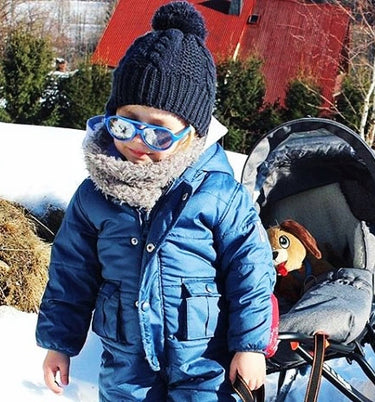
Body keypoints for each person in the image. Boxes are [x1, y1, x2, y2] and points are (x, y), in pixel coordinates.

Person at [35, 2, 276, 399]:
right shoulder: (95, 196)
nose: (137, 142)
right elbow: (70, 274)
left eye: (158, 134)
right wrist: (59, 342)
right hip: (126, 367)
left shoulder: (218, 195)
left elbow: (251, 271)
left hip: (204, 365)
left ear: (192, 134)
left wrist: (250, 347)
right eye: (125, 123)